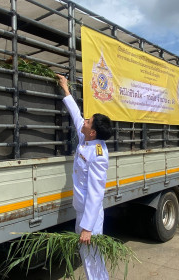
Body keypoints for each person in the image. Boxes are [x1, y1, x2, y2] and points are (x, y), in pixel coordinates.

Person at [57, 74, 112, 279]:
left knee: (90, 256)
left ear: (93, 132)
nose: (85, 121)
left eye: (88, 122)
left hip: (90, 216)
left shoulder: (98, 155)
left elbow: (96, 193)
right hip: (81, 210)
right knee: (88, 255)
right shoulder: (87, 138)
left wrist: (87, 228)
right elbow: (76, 116)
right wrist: (66, 89)